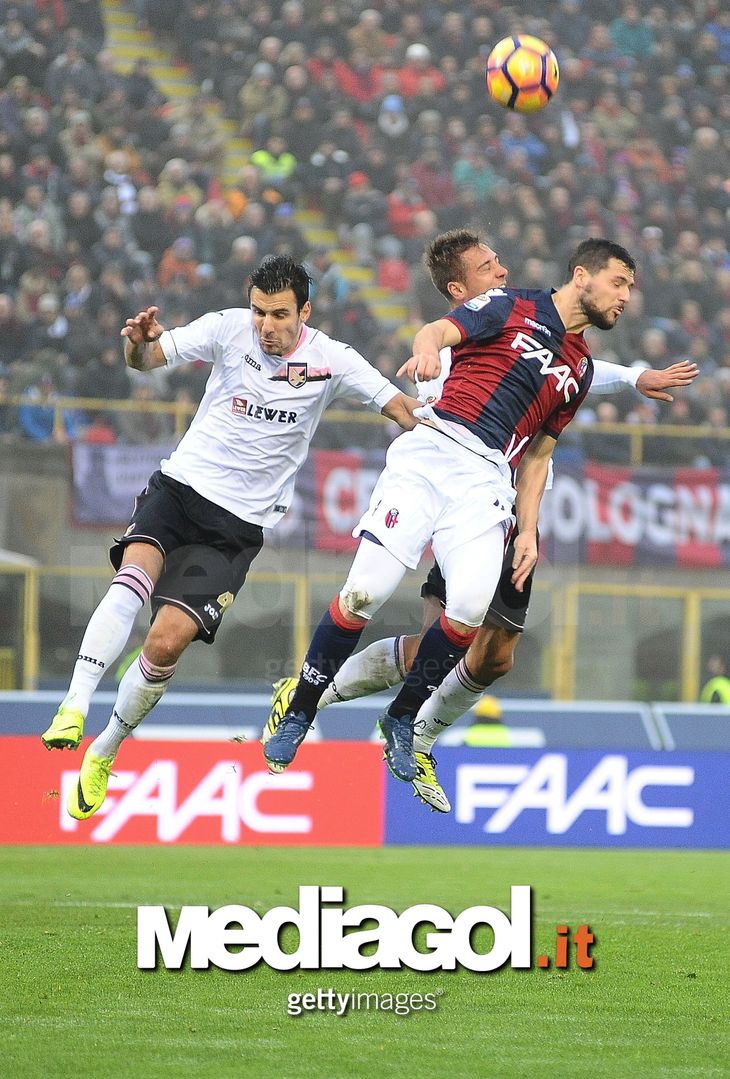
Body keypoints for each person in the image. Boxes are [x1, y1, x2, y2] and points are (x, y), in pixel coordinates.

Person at [264, 229, 699, 808]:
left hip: (487, 481)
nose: (626, 297)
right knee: (364, 592)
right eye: (618, 282)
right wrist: (424, 350)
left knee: (469, 612)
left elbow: (540, 455)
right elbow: (437, 330)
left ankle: (402, 722)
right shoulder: (509, 303)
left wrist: (529, 531)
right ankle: (299, 712)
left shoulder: (582, 369)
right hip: (433, 449)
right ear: (581, 276)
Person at [41, 255, 419, 820]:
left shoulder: (333, 360)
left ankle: (106, 747)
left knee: (165, 644)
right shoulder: (225, 329)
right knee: (132, 580)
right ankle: (73, 704)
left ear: (305, 312)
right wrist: (138, 344)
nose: (266, 326)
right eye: (260, 311)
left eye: (280, 315)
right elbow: (148, 359)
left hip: (236, 530)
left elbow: (399, 408)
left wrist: (461, 430)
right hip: (180, 488)